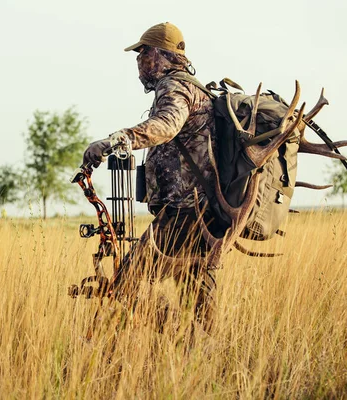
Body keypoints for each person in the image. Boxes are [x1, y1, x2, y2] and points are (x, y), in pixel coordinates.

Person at [82, 22, 222, 332]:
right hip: (200, 213)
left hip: (182, 214)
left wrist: (114, 141)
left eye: (142, 54)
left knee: (126, 283)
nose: (139, 63)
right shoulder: (194, 88)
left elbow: (166, 126)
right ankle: (200, 352)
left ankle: (176, 332)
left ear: (159, 55)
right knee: (197, 297)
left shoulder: (174, 87)